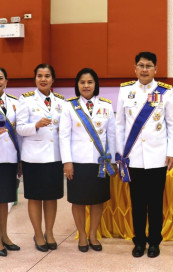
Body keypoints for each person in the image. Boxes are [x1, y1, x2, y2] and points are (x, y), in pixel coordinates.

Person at [115, 51, 173, 258]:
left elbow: (171, 124)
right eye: (141, 65)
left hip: (157, 157)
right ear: (135, 68)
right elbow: (120, 125)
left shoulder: (165, 91)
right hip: (133, 158)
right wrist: (120, 155)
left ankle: (154, 242)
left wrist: (171, 153)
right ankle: (139, 241)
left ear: (155, 69)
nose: (144, 69)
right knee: (138, 203)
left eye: (148, 66)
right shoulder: (125, 91)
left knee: (156, 203)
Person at [59, 68, 116, 252]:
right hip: (78, 162)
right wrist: (67, 161)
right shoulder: (69, 106)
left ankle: (93, 235)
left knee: (97, 200)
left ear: (95, 84)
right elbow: (64, 136)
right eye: (82, 82)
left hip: (100, 162)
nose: (86, 85)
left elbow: (112, 135)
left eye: (90, 82)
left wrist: (113, 160)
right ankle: (82, 235)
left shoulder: (106, 106)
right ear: (77, 85)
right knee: (78, 201)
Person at [16, 64, 65, 252]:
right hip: (33, 158)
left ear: (53, 79)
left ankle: (49, 232)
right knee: (35, 198)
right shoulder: (26, 100)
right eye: (39, 76)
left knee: (51, 198)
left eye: (47, 76)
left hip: (54, 157)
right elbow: (19, 128)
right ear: (35, 78)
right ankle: (38, 233)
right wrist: (35, 125)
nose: (43, 79)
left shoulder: (61, 101)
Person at [0, 67, 22, 257]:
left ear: (6, 81)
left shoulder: (15, 104)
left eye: (0, 78)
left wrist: (21, 159)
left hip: (9, 159)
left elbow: (20, 133)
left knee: (5, 200)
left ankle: (5, 236)